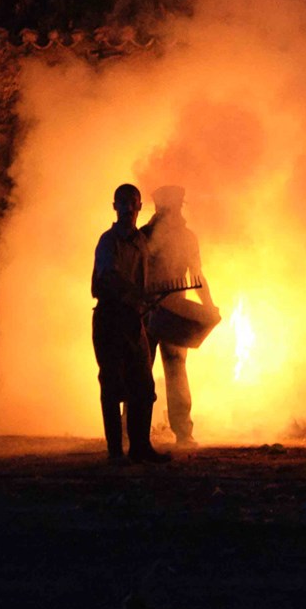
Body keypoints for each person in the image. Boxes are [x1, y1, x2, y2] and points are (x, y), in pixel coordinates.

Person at [93, 183, 168, 463]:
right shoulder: (108, 242)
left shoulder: (140, 243)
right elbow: (108, 276)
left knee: (143, 387)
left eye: (132, 203)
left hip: (134, 320)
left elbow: (144, 278)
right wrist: (135, 293)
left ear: (139, 207)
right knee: (112, 385)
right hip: (110, 318)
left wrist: (148, 300)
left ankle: (140, 447)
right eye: (121, 203)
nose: (127, 208)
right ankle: (115, 452)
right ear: (115, 207)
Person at [141, 185, 212, 446]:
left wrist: (208, 306)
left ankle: (183, 432)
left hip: (175, 313)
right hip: (146, 311)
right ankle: (131, 432)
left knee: (176, 368)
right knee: (141, 370)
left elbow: (197, 276)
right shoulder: (144, 237)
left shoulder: (186, 238)